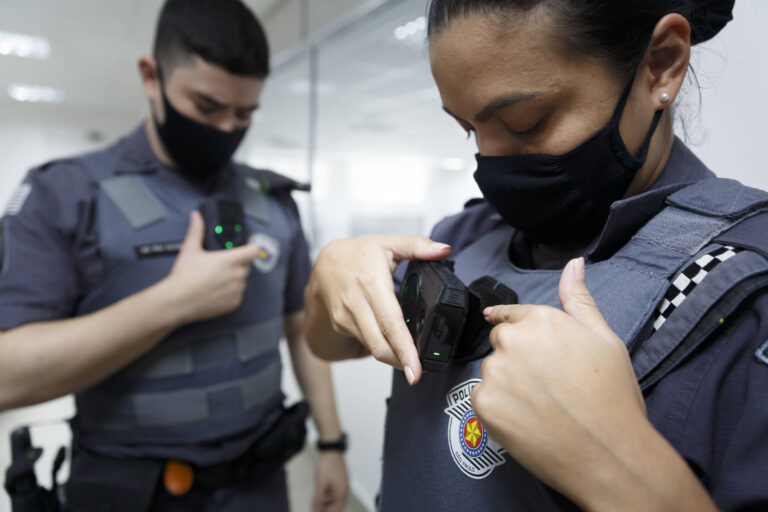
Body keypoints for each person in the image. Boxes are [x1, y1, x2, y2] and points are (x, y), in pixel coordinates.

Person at [304, 0, 768, 510]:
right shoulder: (463, 235)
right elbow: (333, 345)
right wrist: (330, 276)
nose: (489, 161)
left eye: (526, 122)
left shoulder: (744, 287)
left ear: (661, 63)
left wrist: (616, 465)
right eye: (469, 130)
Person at [0, 1, 349, 511]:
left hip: (259, 480)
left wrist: (332, 443)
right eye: (207, 108)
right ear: (151, 76)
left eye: (245, 114)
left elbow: (300, 327)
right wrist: (174, 303)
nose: (227, 128)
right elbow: (7, 376)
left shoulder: (274, 200)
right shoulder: (66, 194)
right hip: (131, 490)